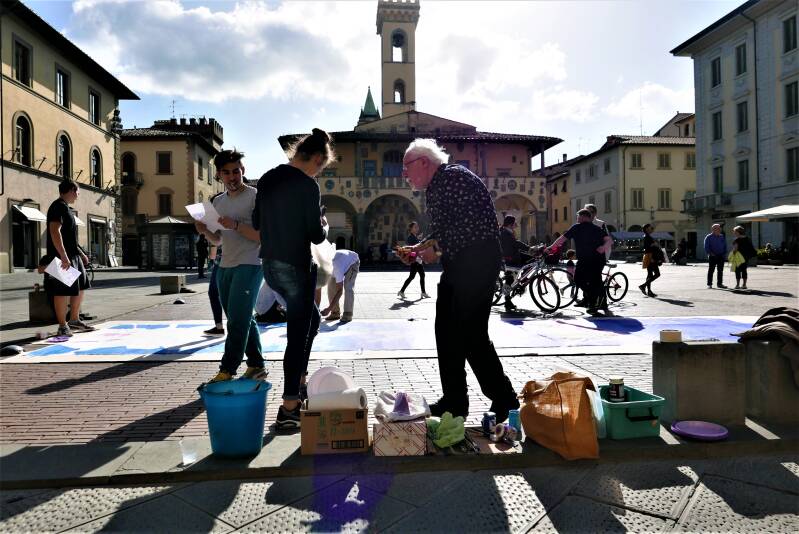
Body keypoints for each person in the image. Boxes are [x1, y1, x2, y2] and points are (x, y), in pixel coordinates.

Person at [396, 139, 519, 424]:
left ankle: (505, 398)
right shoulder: (441, 183)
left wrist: (435, 249)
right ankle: (454, 401)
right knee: (447, 332)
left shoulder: (452, 178)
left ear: (424, 163)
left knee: (470, 333)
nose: (404, 174)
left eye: (406, 167)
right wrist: (418, 249)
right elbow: (445, 231)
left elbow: (469, 228)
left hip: (476, 265)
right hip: (462, 266)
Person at [254, 128, 331, 429]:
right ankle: (289, 406)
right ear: (316, 158)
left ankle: (299, 381)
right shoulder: (307, 185)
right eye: (320, 167)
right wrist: (322, 223)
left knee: (312, 321)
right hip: (296, 265)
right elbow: (316, 234)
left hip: (270, 265)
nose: (318, 173)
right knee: (297, 336)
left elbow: (257, 221)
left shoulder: (267, 178)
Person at [195, 149, 265, 383]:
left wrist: (236, 225)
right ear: (219, 175)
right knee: (243, 317)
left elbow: (263, 236)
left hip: (251, 262)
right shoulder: (218, 201)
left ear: (243, 170)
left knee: (237, 320)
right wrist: (204, 230)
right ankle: (257, 366)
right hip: (225, 264)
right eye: (226, 173)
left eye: (236, 171)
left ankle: (228, 369)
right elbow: (218, 240)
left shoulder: (256, 197)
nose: (232, 177)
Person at [44, 180, 95, 337]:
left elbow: (69, 237)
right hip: (61, 257)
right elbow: (55, 231)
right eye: (78, 192)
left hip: (73, 256)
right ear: (72, 190)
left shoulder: (66, 208)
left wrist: (81, 253)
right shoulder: (57, 207)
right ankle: (62, 326)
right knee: (62, 291)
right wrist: (63, 256)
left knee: (81, 287)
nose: (78, 195)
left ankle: (74, 319)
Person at [547, 209, 612, 316]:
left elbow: (562, 239)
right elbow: (609, 240)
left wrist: (551, 247)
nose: (577, 218)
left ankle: (594, 304)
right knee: (591, 281)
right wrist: (603, 247)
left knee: (583, 280)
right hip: (594, 259)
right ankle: (597, 301)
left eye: (578, 216)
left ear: (583, 217)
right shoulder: (594, 228)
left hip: (591, 259)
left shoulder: (578, 227)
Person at [499, 214, 533, 311]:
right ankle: (507, 301)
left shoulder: (507, 231)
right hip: (509, 259)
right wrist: (529, 248)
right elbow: (515, 244)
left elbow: (515, 244)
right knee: (509, 281)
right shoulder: (505, 233)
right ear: (510, 224)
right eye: (515, 223)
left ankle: (523, 278)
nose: (516, 224)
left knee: (532, 260)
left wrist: (530, 249)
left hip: (513, 256)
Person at [322, 249, 360, 322]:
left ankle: (348, 314)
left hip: (352, 261)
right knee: (331, 287)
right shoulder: (324, 264)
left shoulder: (337, 268)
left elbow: (340, 291)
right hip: (342, 258)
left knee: (348, 287)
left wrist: (329, 308)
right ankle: (335, 313)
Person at [398, 221, 429, 298]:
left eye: (417, 227)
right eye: (415, 227)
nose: (417, 228)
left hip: (417, 260)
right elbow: (414, 248)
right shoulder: (411, 238)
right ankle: (402, 291)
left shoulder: (414, 237)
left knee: (420, 275)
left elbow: (418, 245)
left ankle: (423, 292)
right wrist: (421, 241)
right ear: (411, 229)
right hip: (415, 260)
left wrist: (419, 240)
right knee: (413, 276)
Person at [638, 224, 661, 297]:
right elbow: (647, 248)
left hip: (649, 257)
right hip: (650, 257)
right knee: (657, 274)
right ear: (647, 229)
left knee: (650, 275)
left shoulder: (647, 236)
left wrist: (655, 244)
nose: (652, 229)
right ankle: (643, 286)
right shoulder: (647, 237)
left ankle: (649, 291)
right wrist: (652, 258)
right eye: (651, 228)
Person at [704, 223, 727, 288]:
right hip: (712, 256)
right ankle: (709, 284)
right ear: (713, 229)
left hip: (721, 256)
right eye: (718, 228)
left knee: (720, 271)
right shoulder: (708, 237)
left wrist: (724, 253)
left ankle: (720, 284)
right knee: (711, 270)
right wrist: (711, 253)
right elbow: (706, 247)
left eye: (719, 228)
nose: (719, 229)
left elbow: (725, 245)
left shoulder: (722, 236)